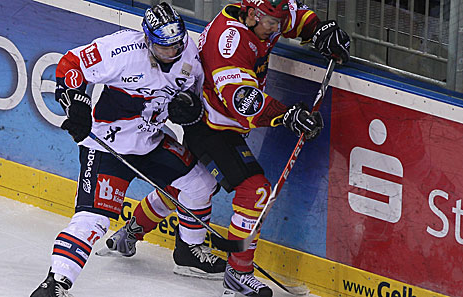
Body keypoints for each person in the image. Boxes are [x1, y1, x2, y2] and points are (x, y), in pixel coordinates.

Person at [110, 0, 350, 296]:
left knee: (195, 184)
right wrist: (286, 115)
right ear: (251, 15)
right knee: (255, 191)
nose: (276, 29)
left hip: (221, 122)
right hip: (211, 127)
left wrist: (319, 30)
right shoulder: (229, 42)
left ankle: (132, 229)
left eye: (277, 23)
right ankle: (239, 272)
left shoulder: (263, 17)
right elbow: (242, 100)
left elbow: (293, 17)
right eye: (271, 24)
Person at [30, 3, 226, 297]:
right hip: (107, 147)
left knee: (202, 184)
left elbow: (196, 105)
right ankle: (55, 283)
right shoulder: (122, 49)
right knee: (93, 219)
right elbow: (71, 64)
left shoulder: (191, 57)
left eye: (176, 44)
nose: (172, 52)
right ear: (148, 40)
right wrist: (76, 107)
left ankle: (188, 251)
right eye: (164, 47)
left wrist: (189, 110)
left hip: (150, 142)